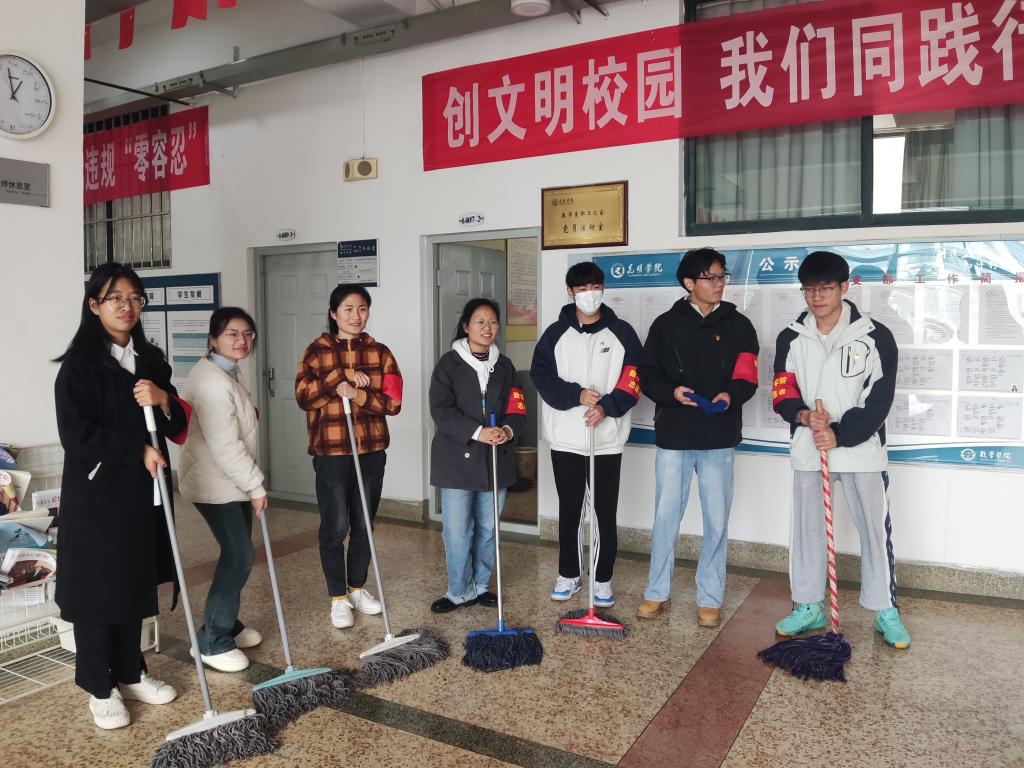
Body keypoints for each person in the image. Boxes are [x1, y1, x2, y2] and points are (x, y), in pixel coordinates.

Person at [54, 262, 186, 729]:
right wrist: (136, 450)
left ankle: (131, 671)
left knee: (134, 578)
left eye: (134, 298)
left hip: (143, 492)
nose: (127, 306)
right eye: (116, 298)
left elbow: (176, 423)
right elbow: (76, 435)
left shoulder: (150, 359)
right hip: (98, 495)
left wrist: (163, 399)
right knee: (98, 588)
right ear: (94, 305)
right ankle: (99, 684)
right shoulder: (79, 367)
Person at [772, 251, 911, 648]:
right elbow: (782, 391)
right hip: (809, 447)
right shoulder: (791, 337)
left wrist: (840, 433)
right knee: (807, 530)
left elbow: (879, 399)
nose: (817, 297)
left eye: (826, 288)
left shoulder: (875, 336)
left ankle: (885, 609)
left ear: (844, 287)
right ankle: (808, 604)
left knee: (873, 530)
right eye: (809, 289)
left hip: (860, 451)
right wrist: (802, 415)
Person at [636, 248, 759, 627]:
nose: (719, 284)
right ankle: (656, 591)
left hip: (719, 435)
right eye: (711, 277)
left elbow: (747, 377)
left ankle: (710, 595)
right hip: (674, 434)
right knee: (665, 516)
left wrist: (730, 396)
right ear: (689, 283)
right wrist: (672, 392)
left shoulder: (740, 326)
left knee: (716, 519)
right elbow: (648, 376)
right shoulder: (665, 325)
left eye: (722, 277)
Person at [530, 262, 642, 607]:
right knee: (570, 511)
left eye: (595, 287)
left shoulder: (622, 333)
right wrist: (577, 395)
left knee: (604, 513)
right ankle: (569, 575)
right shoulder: (554, 334)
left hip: (607, 440)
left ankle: (603, 580)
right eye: (582, 289)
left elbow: (634, 378)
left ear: (603, 289)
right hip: (566, 438)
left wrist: (607, 406)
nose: (590, 294)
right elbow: (542, 377)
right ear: (570, 292)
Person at [296, 284, 402, 630]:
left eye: (362, 309)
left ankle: (357, 588)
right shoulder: (316, 352)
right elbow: (303, 397)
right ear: (333, 313)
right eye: (348, 309)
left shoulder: (381, 353)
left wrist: (357, 395)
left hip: (371, 451)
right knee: (336, 526)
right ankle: (338, 597)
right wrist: (339, 377)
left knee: (363, 524)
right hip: (331, 453)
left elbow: (393, 403)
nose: (356, 316)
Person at [178, 308, 266, 672]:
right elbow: (225, 446)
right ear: (213, 340)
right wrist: (256, 484)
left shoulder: (228, 369)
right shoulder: (212, 381)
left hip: (229, 479)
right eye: (232, 334)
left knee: (236, 553)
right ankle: (212, 641)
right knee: (239, 555)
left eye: (247, 334)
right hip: (214, 481)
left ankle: (226, 622)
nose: (242, 341)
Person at [428, 298, 527, 613]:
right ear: (466, 326)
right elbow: (441, 410)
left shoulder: (505, 366)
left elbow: (517, 407)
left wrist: (507, 430)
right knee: (457, 531)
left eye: (493, 322)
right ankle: (459, 591)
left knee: (488, 529)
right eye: (480, 322)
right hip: (456, 460)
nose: (487, 328)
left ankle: (481, 585)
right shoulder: (449, 364)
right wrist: (478, 432)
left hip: (495, 459)